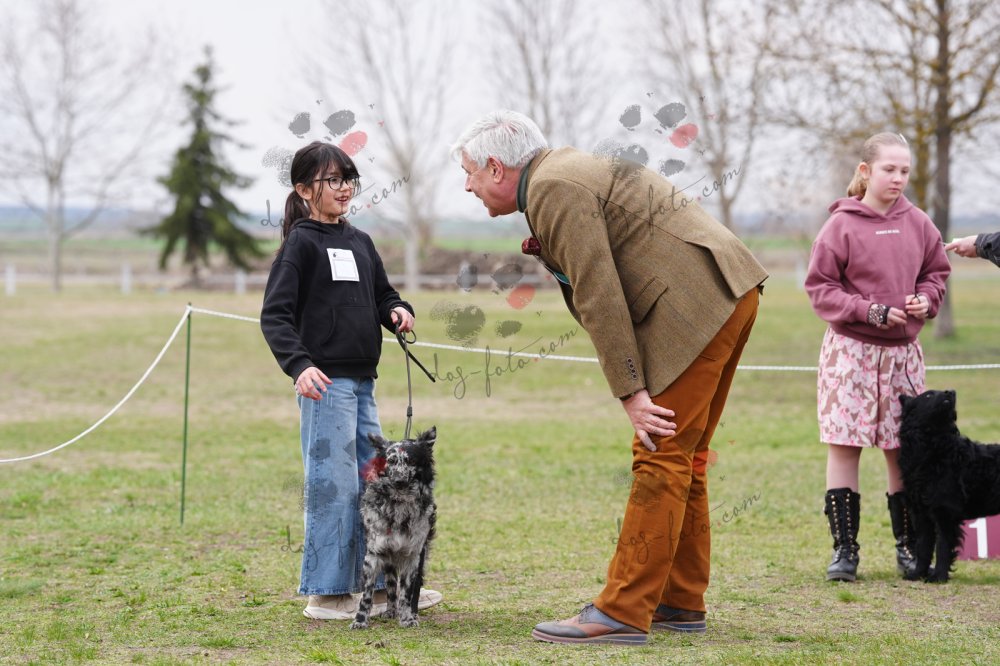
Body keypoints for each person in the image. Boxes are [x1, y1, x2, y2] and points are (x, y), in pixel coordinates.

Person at [451, 110, 768, 645]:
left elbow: (599, 292)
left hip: (698, 305)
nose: (467, 185)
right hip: (727, 291)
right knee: (683, 454)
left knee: (658, 451)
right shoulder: (561, 172)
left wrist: (631, 391)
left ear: (496, 167)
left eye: (469, 172)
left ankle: (622, 609)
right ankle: (679, 600)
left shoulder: (553, 186)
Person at [260, 141, 441, 620]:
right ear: (304, 189)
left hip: (363, 383)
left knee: (375, 486)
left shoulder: (360, 241)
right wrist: (299, 365)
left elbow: (383, 294)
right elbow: (274, 315)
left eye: (348, 179)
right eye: (333, 180)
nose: (344, 188)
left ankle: (378, 588)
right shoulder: (300, 244)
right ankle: (326, 594)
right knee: (333, 487)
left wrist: (396, 310)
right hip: (325, 386)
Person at [804, 132, 950, 583]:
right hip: (850, 355)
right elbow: (821, 288)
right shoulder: (840, 226)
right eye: (889, 169)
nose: (898, 178)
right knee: (844, 447)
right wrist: (867, 310)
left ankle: (908, 548)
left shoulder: (920, 223)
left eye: (904, 170)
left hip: (903, 357)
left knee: (901, 450)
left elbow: (936, 273)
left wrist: (927, 299)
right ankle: (844, 552)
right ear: (866, 171)